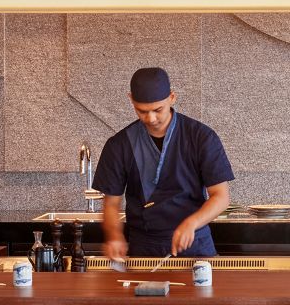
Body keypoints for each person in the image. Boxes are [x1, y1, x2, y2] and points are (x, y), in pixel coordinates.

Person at [93, 67, 234, 261]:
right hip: (144, 247)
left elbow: (221, 196)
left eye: (158, 110)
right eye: (142, 111)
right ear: (131, 99)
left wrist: (192, 223)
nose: (151, 119)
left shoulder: (201, 137)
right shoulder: (119, 145)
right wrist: (114, 236)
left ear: (172, 97)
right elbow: (111, 203)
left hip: (195, 244)